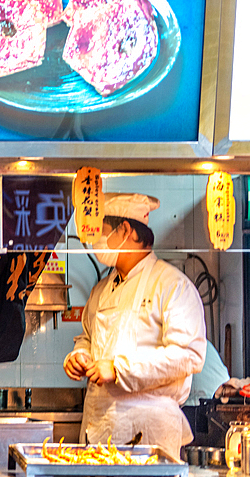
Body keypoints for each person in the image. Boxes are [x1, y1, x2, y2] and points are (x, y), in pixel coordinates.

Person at [63, 193, 206, 459]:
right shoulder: (101, 290)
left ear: (126, 230)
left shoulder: (172, 285)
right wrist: (79, 356)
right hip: (97, 429)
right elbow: (87, 338)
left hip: (149, 434)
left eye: (101, 232)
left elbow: (189, 356)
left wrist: (118, 369)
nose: (95, 243)